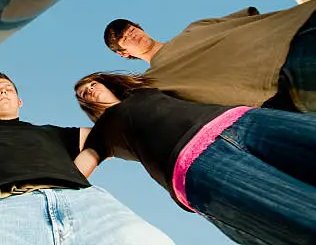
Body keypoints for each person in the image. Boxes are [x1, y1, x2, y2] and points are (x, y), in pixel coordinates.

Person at [73, 72, 316, 245]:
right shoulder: (102, 132)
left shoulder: (144, 91)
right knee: (301, 216)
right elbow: (83, 163)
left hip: (241, 121)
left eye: (92, 83)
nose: (90, 89)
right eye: (84, 92)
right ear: (86, 103)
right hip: (200, 166)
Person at [0, 71, 174, 244]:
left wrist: (81, 167)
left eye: (8, 89)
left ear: (19, 101)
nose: (3, 90)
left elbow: (110, 134)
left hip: (84, 204)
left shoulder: (52, 133)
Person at [103, 0, 316, 112]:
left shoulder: (194, 28)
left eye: (130, 28)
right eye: (123, 37)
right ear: (124, 53)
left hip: (293, 36)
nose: (131, 33)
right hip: (277, 89)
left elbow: (249, 19)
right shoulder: (155, 84)